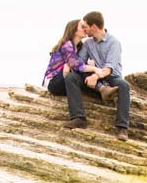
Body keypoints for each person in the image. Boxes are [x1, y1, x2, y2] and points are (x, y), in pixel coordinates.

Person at [64, 11, 131, 141]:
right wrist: (69, 64)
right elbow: (80, 62)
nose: (84, 29)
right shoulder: (89, 43)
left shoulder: (114, 42)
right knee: (71, 77)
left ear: (93, 27)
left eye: (86, 26)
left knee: (124, 85)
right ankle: (79, 118)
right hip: (93, 75)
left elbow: (108, 69)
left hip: (110, 77)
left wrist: (95, 77)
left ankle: (122, 128)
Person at [44, 19, 97, 97]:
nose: (85, 29)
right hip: (55, 82)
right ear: (74, 30)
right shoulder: (67, 44)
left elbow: (76, 64)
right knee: (83, 70)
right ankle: (101, 89)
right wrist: (95, 69)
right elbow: (76, 65)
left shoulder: (79, 47)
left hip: (67, 80)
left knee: (87, 73)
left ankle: (102, 89)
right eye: (82, 27)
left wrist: (68, 65)